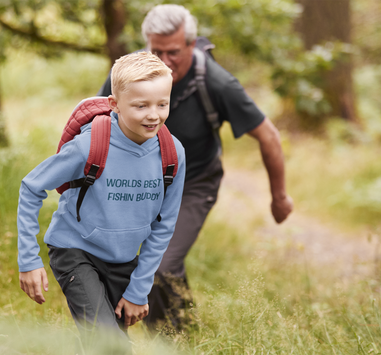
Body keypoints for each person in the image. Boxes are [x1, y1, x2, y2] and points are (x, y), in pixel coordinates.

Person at [97, 4, 294, 330]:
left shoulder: (216, 83)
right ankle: (186, 330)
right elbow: (98, 119)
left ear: (192, 44)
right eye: (155, 50)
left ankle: (168, 342)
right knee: (147, 261)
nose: (163, 60)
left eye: (172, 52)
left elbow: (269, 136)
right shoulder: (130, 73)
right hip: (144, 184)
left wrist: (279, 197)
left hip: (194, 183)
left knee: (157, 264)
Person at [16, 51, 186, 348]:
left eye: (162, 104)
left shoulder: (173, 154)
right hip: (75, 250)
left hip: (123, 260)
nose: (153, 115)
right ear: (114, 105)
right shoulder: (89, 146)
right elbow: (32, 187)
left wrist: (138, 289)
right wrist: (29, 260)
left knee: (111, 342)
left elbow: (165, 225)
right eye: (141, 105)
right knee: (109, 345)